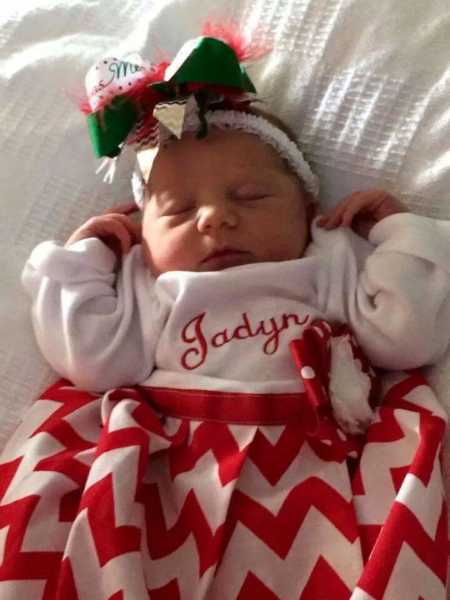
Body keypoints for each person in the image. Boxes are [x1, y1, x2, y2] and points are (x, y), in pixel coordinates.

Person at [4, 30, 450, 599]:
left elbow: (406, 336)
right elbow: (91, 360)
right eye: (180, 209)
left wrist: (395, 230)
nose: (214, 218)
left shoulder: (326, 255)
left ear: (308, 208)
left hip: (311, 468)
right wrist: (87, 255)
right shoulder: (152, 281)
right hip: (173, 474)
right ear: (142, 233)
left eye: (251, 196)